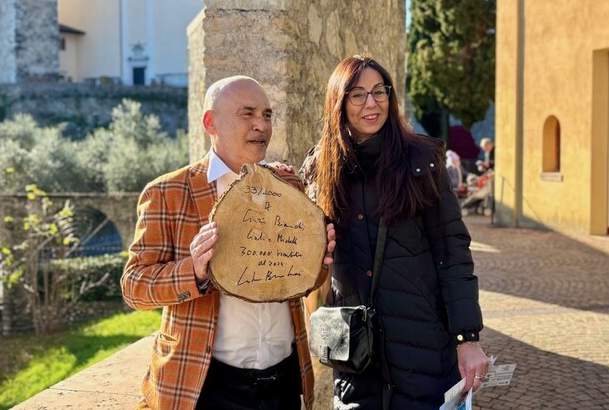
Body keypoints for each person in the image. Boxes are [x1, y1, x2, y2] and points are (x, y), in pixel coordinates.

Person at [121, 76, 336, 410]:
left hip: (284, 382)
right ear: (211, 122)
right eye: (247, 113)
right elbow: (133, 286)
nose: (260, 125)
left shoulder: (288, 183)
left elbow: (302, 283)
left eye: (266, 115)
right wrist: (193, 271)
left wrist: (318, 264)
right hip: (207, 387)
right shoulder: (168, 192)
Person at [301, 56, 488, 409]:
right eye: (357, 95)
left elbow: (453, 253)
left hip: (423, 349)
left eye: (378, 91)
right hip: (356, 359)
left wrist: (467, 338)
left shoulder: (422, 160)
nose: (371, 104)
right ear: (338, 103)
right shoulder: (320, 169)